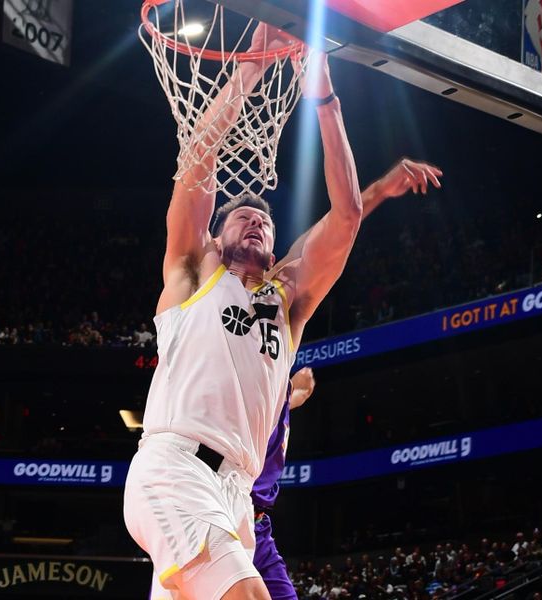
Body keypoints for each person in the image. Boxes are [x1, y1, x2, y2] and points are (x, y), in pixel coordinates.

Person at [125, 22, 365, 599]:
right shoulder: (191, 274)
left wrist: (322, 93)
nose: (254, 218)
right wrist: (249, 71)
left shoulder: (289, 303)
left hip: (237, 493)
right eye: (240, 216)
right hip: (176, 467)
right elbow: (197, 159)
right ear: (214, 237)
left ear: (277, 249)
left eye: (265, 220)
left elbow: (349, 214)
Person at [252, 158, 443, 600]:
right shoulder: (212, 312)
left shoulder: (278, 311)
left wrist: (292, 396)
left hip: (257, 523)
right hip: (214, 505)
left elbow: (331, 232)